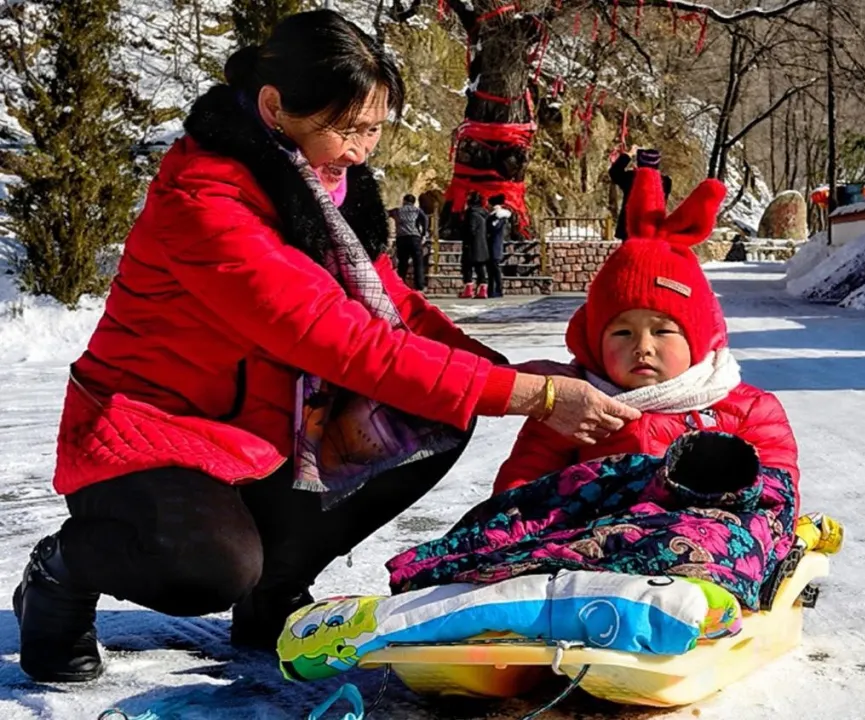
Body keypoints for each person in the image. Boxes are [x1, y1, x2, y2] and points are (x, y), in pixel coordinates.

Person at [12, 9, 640, 684]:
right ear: (276, 106)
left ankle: (273, 592)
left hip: (260, 434)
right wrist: (534, 398)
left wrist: (501, 374)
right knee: (207, 570)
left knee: (437, 410)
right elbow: (341, 342)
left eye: (374, 129)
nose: (363, 149)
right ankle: (61, 571)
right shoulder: (205, 205)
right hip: (149, 435)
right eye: (349, 129)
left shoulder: (326, 188)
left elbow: (396, 309)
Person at [494, 162, 799, 499]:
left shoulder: (746, 410)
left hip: (706, 542)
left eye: (663, 331)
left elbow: (776, 494)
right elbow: (518, 492)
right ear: (594, 343)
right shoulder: (575, 407)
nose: (642, 347)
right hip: (591, 543)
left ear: (697, 338)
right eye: (622, 333)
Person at [609, 146, 673, 241]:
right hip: (653, 230)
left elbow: (614, 171)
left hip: (629, 229)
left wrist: (629, 154)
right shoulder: (666, 182)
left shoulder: (631, 178)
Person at [389, 193, 429, 291]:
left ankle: (400, 285)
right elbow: (425, 219)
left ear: (404, 201)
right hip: (415, 238)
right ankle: (419, 287)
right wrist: (423, 232)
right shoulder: (417, 211)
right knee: (418, 262)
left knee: (402, 263)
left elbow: (386, 213)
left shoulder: (397, 211)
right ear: (414, 202)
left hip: (402, 238)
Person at [459, 191, 490, 299]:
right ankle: (483, 289)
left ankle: (468, 289)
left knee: (467, 267)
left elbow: (470, 229)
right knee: (480, 267)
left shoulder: (471, 213)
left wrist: (464, 235)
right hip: (482, 244)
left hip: (471, 245)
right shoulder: (484, 214)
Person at [486, 193, 512, 298]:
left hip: (495, 245)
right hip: (494, 244)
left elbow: (493, 228)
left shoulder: (499, 217)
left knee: (495, 268)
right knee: (491, 269)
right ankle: (492, 289)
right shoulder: (496, 216)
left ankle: (497, 289)